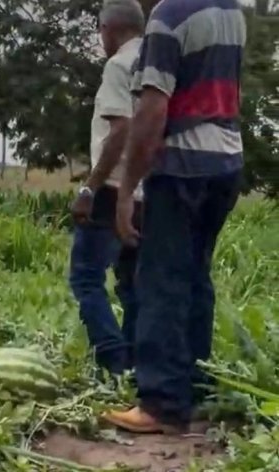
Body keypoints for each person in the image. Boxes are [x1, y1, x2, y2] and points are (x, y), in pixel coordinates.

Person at [104, 0, 247, 433]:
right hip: (226, 162)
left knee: (162, 279)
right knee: (195, 277)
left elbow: (152, 109)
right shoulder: (232, 11)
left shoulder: (170, 16)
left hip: (182, 164)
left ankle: (162, 403)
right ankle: (194, 388)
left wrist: (127, 190)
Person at [69, 0, 145, 376]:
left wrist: (90, 187)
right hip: (147, 190)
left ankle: (114, 359)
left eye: (101, 31)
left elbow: (121, 130)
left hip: (115, 188)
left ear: (110, 29)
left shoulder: (118, 65)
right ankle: (134, 359)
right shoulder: (157, 63)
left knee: (85, 276)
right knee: (132, 282)